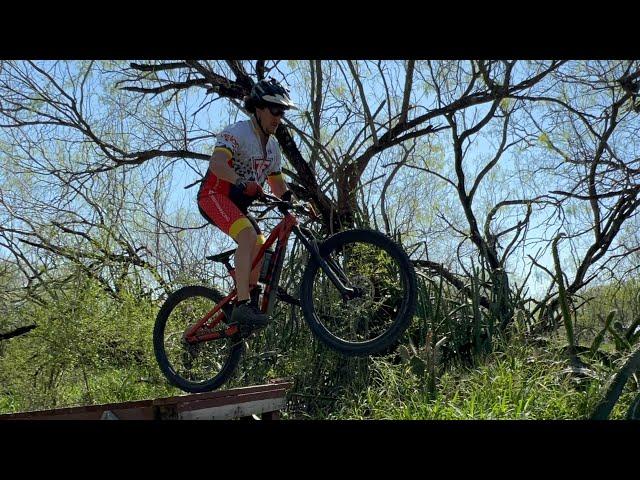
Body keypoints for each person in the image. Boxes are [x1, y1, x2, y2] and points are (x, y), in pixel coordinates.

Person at [197, 78, 297, 329]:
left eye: (282, 112)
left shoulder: (273, 147)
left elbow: (278, 185)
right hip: (214, 196)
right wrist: (241, 181)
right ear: (259, 108)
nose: (278, 117)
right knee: (248, 235)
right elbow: (216, 164)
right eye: (274, 110)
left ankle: (247, 302)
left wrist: (296, 204)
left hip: (237, 206)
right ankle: (242, 304)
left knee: (261, 246)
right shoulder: (238, 132)